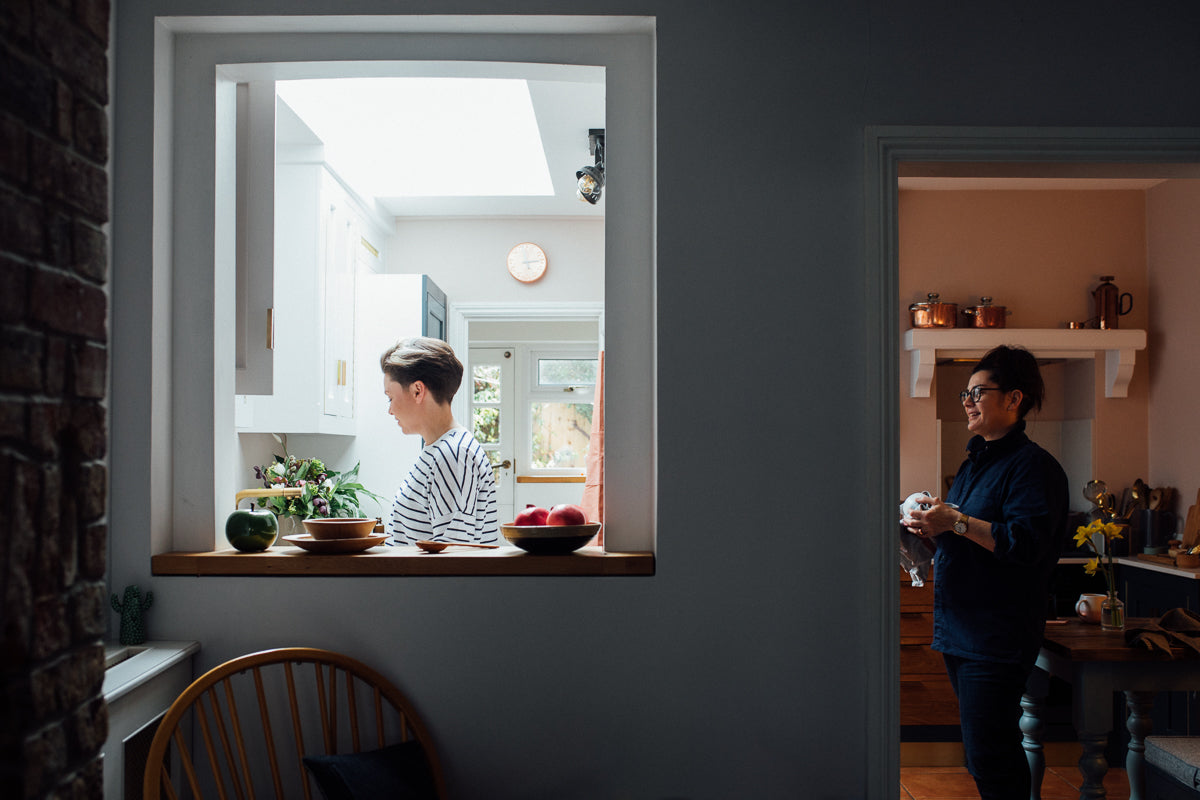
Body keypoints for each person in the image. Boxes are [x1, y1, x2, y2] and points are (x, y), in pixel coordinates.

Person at [902, 345, 1069, 800]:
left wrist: (954, 521)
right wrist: (925, 532)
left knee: (991, 754)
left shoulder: (1033, 467)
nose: (967, 401)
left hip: (995, 635)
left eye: (979, 392)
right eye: (965, 393)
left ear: (1014, 400)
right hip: (961, 630)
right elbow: (971, 539)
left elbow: (1025, 545)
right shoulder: (976, 462)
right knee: (984, 753)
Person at [380, 337, 499, 545]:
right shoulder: (442, 450)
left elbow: (452, 560)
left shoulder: (453, 455)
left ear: (418, 390)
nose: (390, 410)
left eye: (390, 397)